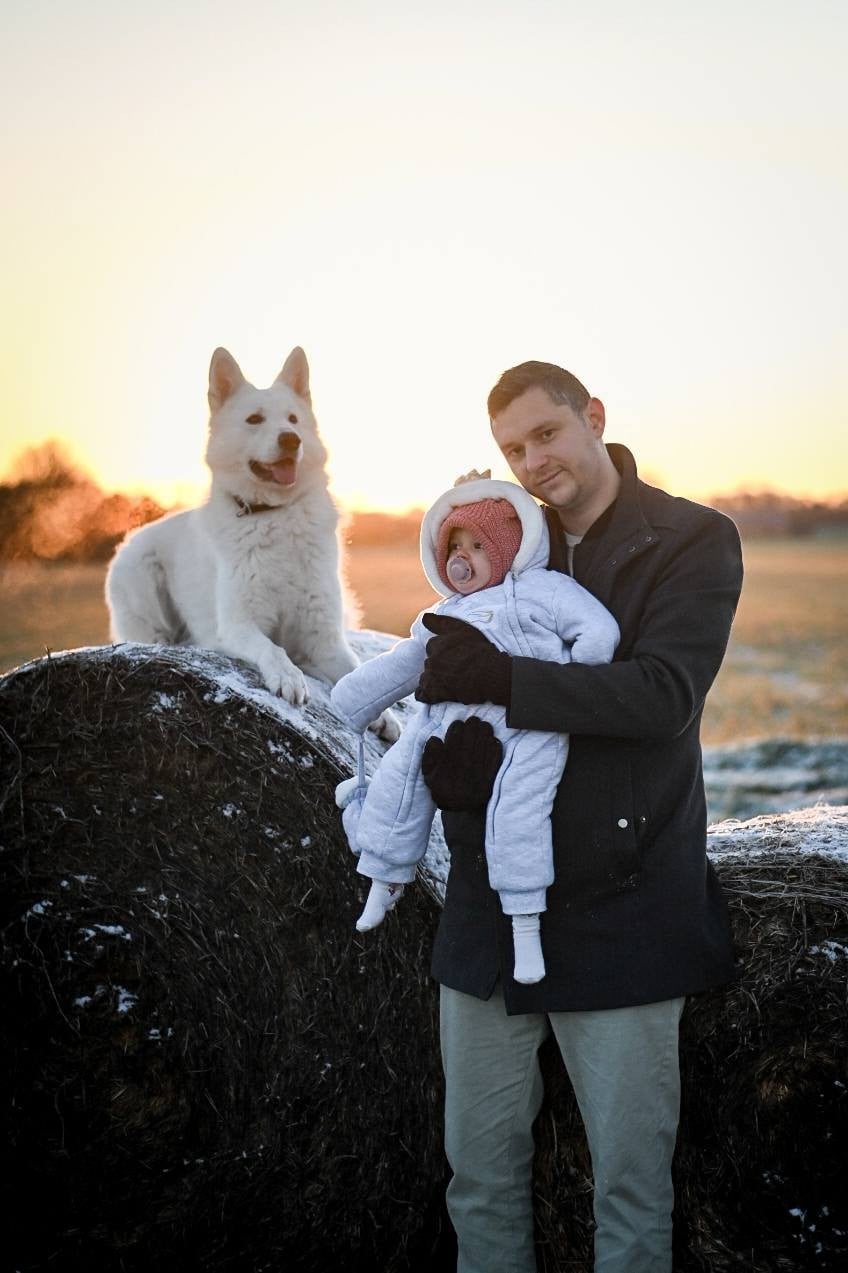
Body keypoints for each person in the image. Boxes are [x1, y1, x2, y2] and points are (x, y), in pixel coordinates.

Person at [414, 361, 744, 1273]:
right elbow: (447, 668)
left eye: (546, 434)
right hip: (488, 911)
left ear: (592, 415)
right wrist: (448, 753)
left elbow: (662, 695)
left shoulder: (693, 538)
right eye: (512, 448)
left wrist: (504, 682)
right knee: (478, 1185)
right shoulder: (507, 537)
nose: (532, 460)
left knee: (631, 1199)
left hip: (627, 905)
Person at [330, 477, 619, 984]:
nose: (461, 558)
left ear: (509, 548)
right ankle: (382, 877)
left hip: (526, 726)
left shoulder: (543, 591)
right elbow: (407, 661)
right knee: (399, 779)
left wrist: (580, 663)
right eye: (454, 547)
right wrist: (353, 700)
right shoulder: (443, 612)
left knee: (518, 813)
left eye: (478, 546)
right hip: (443, 720)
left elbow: (595, 629)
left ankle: (524, 924)